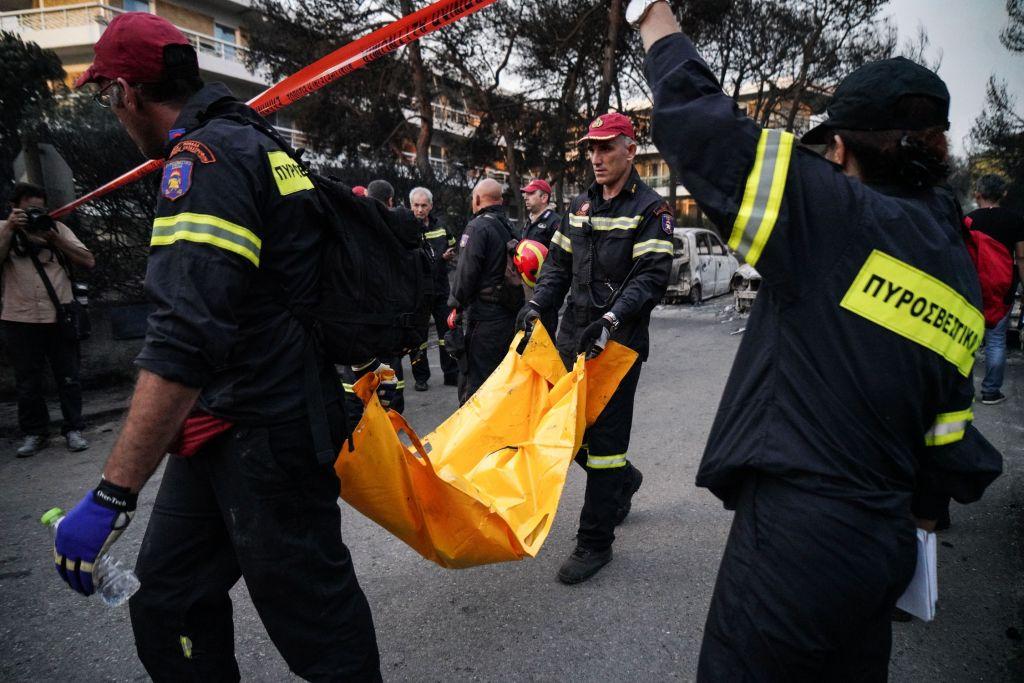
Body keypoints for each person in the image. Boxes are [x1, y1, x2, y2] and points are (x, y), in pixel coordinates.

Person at [633, 1, 1003, 678]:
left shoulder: (835, 215)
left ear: (839, 149)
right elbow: (949, 428)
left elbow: (703, 129)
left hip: (797, 544)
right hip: (885, 537)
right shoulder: (954, 258)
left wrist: (651, 15)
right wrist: (922, 515)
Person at [55, 13, 380, 680]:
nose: (111, 109)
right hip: (226, 421)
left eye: (104, 95)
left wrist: (113, 493)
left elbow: (182, 341)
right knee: (168, 602)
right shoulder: (255, 141)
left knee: (320, 628)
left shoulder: (204, 162)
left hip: (269, 432)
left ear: (127, 92)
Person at [516, 111, 673, 585]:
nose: (597, 157)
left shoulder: (651, 209)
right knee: (564, 430)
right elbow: (558, 267)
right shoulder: (580, 206)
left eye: (607, 147)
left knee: (603, 446)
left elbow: (650, 277)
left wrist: (612, 318)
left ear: (631, 148)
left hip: (617, 344)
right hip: (572, 338)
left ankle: (595, 543)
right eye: (591, 148)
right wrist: (539, 303)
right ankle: (624, 482)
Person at [1, 182, 94, 457]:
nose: (34, 215)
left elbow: (88, 261)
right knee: (27, 381)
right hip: (19, 317)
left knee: (69, 377)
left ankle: (74, 429)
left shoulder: (57, 229)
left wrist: (54, 238)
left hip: (59, 315)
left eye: (40, 210)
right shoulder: (4, 229)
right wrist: (10, 228)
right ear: (14, 208)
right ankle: (34, 433)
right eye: (29, 211)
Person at [450, 178, 522, 404]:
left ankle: (476, 437)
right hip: (509, 314)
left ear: (478, 199)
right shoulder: (509, 226)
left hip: (485, 316)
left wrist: (455, 305)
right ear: (500, 200)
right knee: (501, 380)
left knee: (476, 382)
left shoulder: (478, 227)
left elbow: (465, 274)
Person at [339, 179, 407, 414]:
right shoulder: (401, 231)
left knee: (356, 384)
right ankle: (390, 420)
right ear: (390, 201)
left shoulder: (349, 230)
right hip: (389, 324)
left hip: (358, 326)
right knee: (390, 381)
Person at [965, 174, 1023, 405]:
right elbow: (1021, 257)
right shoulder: (1016, 220)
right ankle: (990, 391)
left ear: (977, 193)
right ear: (1004, 194)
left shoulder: (968, 221)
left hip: (973, 286)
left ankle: (962, 390)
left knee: (967, 338)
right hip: (1003, 287)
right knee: (996, 339)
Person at [408, 186, 458, 391]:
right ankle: (421, 378)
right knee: (418, 338)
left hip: (441, 289)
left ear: (430, 206)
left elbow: (453, 246)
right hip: (418, 292)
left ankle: (451, 374)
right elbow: (415, 261)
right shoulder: (407, 228)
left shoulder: (442, 227)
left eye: (423, 205)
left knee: (446, 334)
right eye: (416, 205)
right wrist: (441, 259)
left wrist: (451, 257)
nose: (420, 209)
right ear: (410, 206)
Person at [519, 178, 560, 247]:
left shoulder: (556, 222)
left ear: (544, 198)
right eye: (526, 194)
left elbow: (559, 254)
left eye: (531, 193)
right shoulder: (528, 221)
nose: (525, 197)